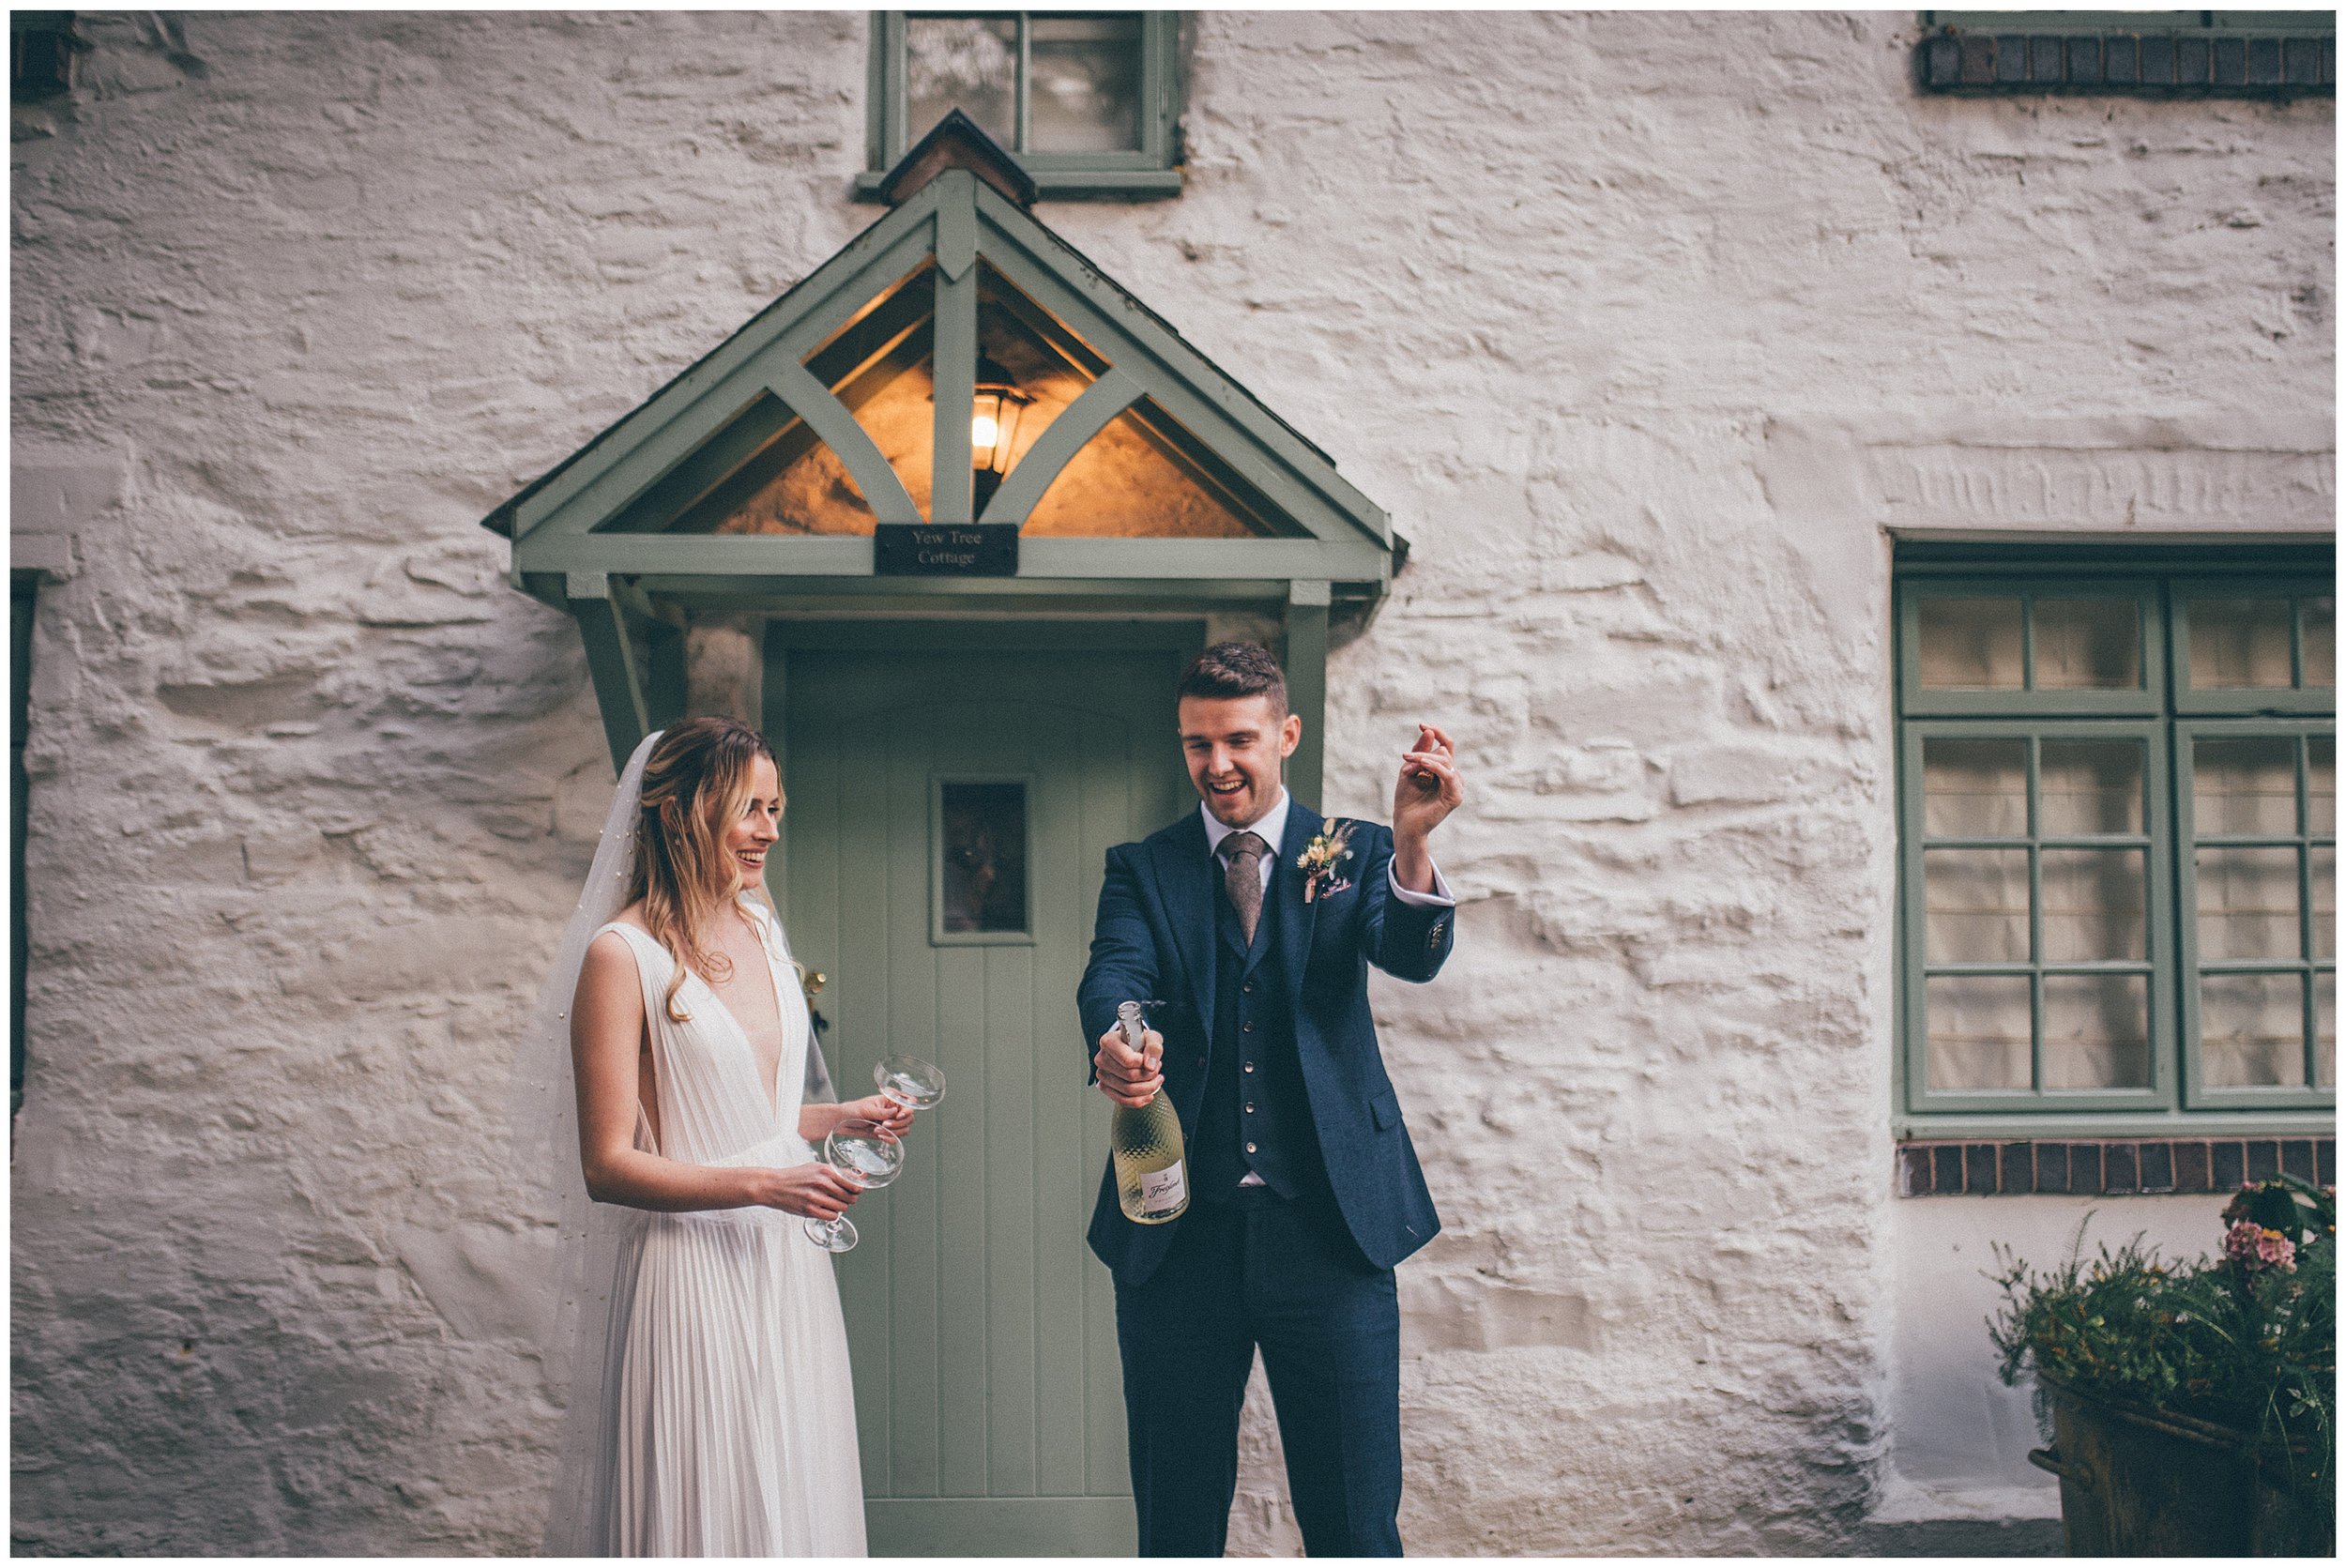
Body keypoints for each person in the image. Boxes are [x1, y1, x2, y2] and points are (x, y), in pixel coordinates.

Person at [1080, 642, 1465, 1557]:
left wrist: (1411, 839)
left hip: (1331, 1237)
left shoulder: (1359, 850)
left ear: (1285, 734)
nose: (1217, 766)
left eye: (1239, 741)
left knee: (1353, 1527)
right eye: (1196, 744)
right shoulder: (1145, 867)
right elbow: (1115, 975)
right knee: (1176, 1526)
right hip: (1181, 1245)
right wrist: (1122, 1039)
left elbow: (1411, 956)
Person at [513, 717, 912, 1556]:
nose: (771, 828)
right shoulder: (621, 955)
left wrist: (836, 1119)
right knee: (707, 1506)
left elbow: (745, 1113)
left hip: (785, 1261)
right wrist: (772, 1185)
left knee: (794, 1492)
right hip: (688, 1272)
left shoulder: (760, 925)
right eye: (750, 808)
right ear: (681, 811)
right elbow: (608, 1162)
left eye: (777, 806)